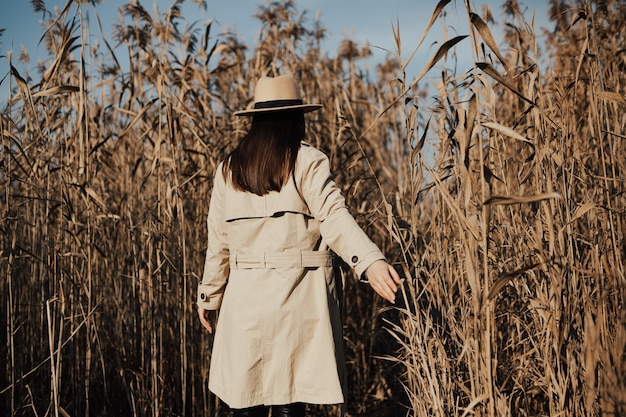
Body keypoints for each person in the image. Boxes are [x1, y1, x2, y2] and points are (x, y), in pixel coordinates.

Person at [197, 74, 402, 417]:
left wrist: (209, 294)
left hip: (243, 303)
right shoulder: (307, 160)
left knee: (243, 401)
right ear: (297, 117)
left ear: (256, 119)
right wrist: (369, 261)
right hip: (296, 300)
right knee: (288, 400)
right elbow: (335, 216)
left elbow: (218, 241)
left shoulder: (229, 169)